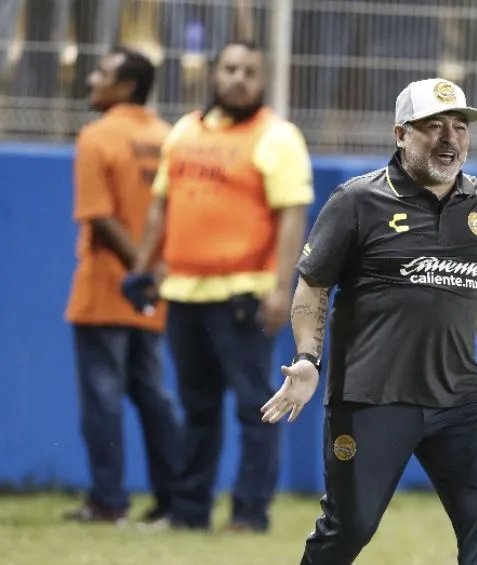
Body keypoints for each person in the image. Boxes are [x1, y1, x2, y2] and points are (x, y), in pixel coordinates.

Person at [259, 77, 477, 565]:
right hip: (373, 398)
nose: (449, 138)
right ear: (400, 135)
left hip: (460, 401)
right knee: (348, 529)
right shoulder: (356, 201)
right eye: (432, 127)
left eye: (459, 127)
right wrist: (307, 359)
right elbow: (313, 285)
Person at [124, 39, 315, 532]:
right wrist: (145, 269)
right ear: (213, 73)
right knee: (197, 408)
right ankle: (189, 513)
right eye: (229, 68)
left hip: (243, 295)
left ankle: (249, 515)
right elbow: (161, 206)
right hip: (184, 293)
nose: (237, 78)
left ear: (262, 80)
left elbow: (292, 216)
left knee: (257, 409)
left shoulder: (278, 136)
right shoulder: (184, 131)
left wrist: (280, 289)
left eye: (249, 71)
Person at [63, 46, 181, 525]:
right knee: (153, 395)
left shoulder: (96, 136)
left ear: (127, 85)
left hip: (106, 288)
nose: (92, 79)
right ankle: (174, 498)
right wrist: (153, 275)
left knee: (102, 400)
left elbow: (99, 217)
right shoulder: (169, 138)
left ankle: (108, 502)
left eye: (103, 73)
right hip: (153, 291)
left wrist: (136, 270)